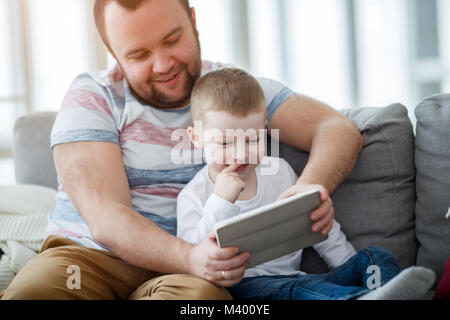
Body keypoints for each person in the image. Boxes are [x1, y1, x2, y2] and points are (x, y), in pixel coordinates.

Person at [1, 0, 363, 300]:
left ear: (193, 21)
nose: (163, 65)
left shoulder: (234, 93)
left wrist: (309, 189)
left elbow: (337, 129)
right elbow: (106, 217)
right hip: (89, 259)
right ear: (113, 53)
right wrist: (191, 257)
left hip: (188, 277)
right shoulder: (93, 96)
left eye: (172, 40)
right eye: (139, 54)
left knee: (201, 303)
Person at [177, 67, 436, 300]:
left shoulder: (279, 172)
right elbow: (195, 261)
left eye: (252, 139)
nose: (240, 154)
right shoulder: (194, 196)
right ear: (196, 137)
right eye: (224, 143)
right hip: (249, 288)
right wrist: (221, 202)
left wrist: (350, 266)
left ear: (264, 129)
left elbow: (320, 228)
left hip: (301, 281)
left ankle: (379, 293)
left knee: (373, 256)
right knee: (296, 291)